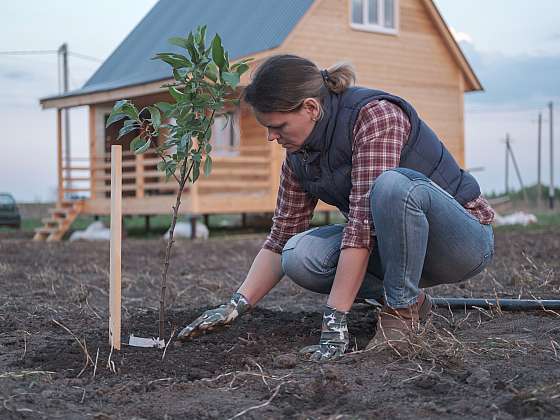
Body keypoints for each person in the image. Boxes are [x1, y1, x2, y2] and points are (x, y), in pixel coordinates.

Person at [177, 54, 495, 361]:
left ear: (311, 107)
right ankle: (413, 300)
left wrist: (334, 322)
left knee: (392, 186)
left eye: (278, 126)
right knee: (298, 255)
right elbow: (280, 237)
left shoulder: (375, 116)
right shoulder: (298, 158)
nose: (271, 137)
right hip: (399, 248)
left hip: (461, 244)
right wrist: (235, 305)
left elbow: (362, 226)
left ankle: (401, 312)